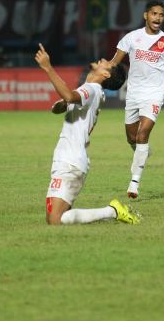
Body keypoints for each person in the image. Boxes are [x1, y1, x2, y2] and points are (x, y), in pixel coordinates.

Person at [35, 43, 139, 225]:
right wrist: (65, 105)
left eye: (108, 63)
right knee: (56, 219)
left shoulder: (91, 89)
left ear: (106, 74)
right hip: (71, 159)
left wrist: (48, 67)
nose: (104, 60)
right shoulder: (93, 90)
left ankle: (112, 211)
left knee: (55, 220)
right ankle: (112, 211)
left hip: (70, 161)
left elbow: (69, 96)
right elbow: (68, 101)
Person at [110, 0, 164, 199]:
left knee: (143, 135)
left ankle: (134, 183)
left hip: (154, 94)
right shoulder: (132, 38)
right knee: (132, 138)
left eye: (161, 15)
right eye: (154, 14)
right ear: (146, 16)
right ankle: (143, 152)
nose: (157, 18)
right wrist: (99, 78)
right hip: (133, 93)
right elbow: (114, 62)